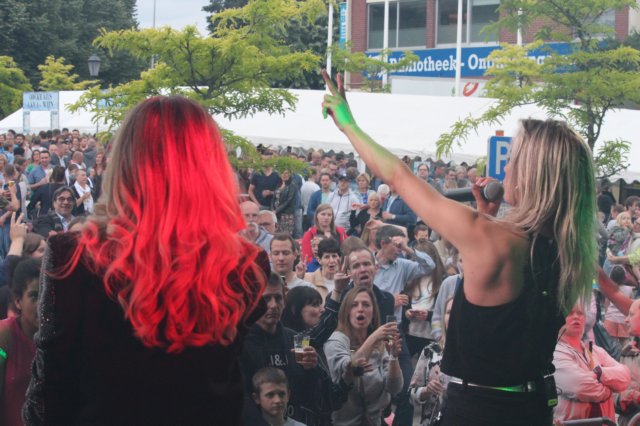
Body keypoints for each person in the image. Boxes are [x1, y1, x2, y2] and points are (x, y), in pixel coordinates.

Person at [322, 71, 597, 424]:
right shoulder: (569, 254)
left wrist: (349, 126)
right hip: (531, 409)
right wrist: (487, 220)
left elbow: (399, 177)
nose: (506, 166)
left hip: (478, 410)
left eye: (514, 158)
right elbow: (507, 331)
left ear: (533, 174)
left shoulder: (492, 239)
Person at [22, 96, 270, 425]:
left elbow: (50, 388)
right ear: (210, 165)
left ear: (125, 163)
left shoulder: (73, 257)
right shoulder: (247, 265)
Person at [324, 286, 403, 425]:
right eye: (354, 305)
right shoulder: (336, 340)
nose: (360, 309)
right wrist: (374, 337)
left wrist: (394, 357)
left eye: (366, 305)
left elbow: (394, 388)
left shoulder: (380, 345)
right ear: (346, 311)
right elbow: (348, 370)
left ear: (373, 312)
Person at [553, 303, 630, 422]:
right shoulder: (556, 352)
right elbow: (580, 387)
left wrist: (599, 372)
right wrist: (609, 389)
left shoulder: (596, 351)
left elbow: (625, 377)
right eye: (570, 313)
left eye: (580, 313)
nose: (576, 317)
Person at [0, 258, 41, 426]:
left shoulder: (62, 337)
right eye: (34, 296)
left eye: (49, 294)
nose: (43, 303)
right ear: (18, 301)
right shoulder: (4, 337)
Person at [409, 297, 454, 426]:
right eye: (448, 312)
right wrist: (427, 390)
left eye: (456, 312)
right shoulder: (430, 351)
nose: (452, 316)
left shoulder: (473, 355)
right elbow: (411, 394)